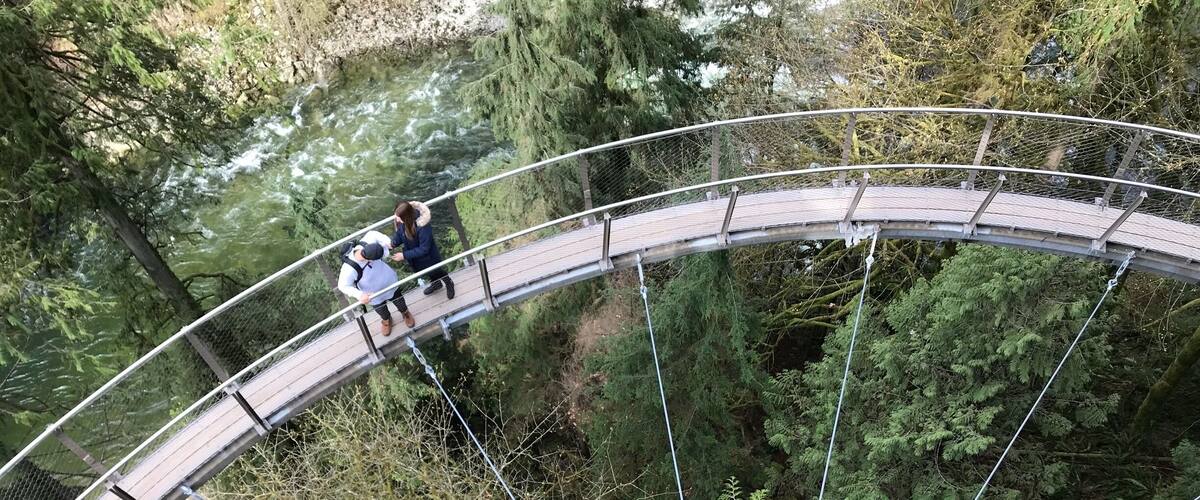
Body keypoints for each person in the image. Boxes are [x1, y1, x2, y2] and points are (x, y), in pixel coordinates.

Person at [337, 230, 415, 336]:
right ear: (369, 260)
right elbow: (342, 285)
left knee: (399, 301)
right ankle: (386, 321)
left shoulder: (366, 243)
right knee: (381, 310)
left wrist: (387, 241)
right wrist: (359, 295)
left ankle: (405, 313)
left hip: (389, 283)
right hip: (373, 294)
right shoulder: (349, 269)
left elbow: (372, 233)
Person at [390, 200, 455, 299]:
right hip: (416, 257)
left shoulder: (422, 226)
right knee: (428, 272)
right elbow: (400, 233)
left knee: (437, 271)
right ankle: (436, 284)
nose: (397, 220)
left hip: (429, 257)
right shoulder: (404, 221)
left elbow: (424, 249)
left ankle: (448, 282)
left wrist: (404, 255)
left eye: (399, 218)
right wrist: (393, 243)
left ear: (406, 217)